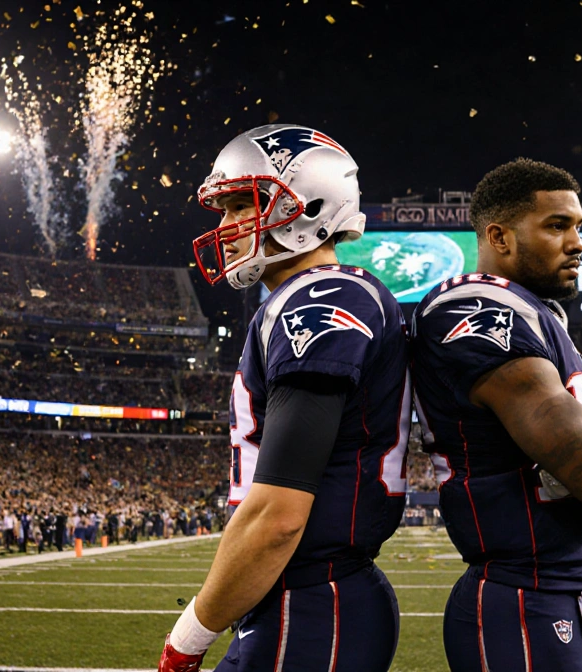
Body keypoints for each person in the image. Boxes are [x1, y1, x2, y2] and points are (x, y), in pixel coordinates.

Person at [158, 125, 410, 672]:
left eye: (239, 207)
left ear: (308, 205)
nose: (225, 229)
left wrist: (188, 637)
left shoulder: (321, 297)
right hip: (305, 601)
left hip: (314, 603)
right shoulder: (300, 299)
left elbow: (279, 517)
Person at [410, 158, 582, 671]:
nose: (577, 242)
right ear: (499, 236)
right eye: (557, 226)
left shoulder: (534, 314)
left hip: (563, 591)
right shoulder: (477, 309)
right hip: (524, 600)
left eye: (578, 226)